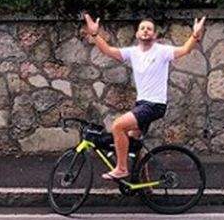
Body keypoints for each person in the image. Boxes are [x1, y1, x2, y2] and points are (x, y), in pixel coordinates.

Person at [82, 13, 207, 180]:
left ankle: (121, 168)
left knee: (118, 126)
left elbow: (185, 49)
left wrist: (195, 35)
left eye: (149, 29)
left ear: (155, 35)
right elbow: (108, 51)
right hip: (141, 104)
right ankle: (143, 183)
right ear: (137, 34)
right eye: (142, 28)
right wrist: (95, 34)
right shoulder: (132, 53)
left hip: (154, 105)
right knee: (134, 142)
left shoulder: (162, 51)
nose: (146, 31)